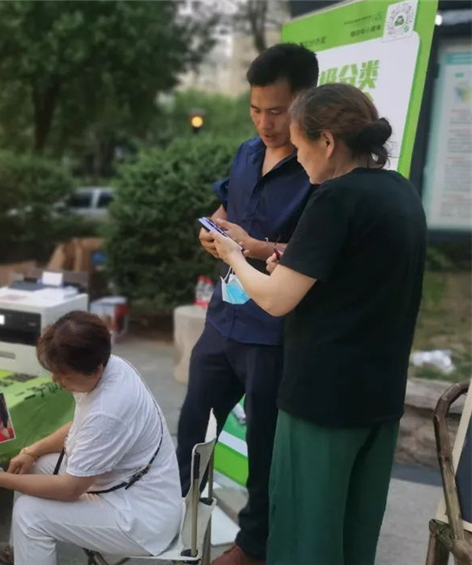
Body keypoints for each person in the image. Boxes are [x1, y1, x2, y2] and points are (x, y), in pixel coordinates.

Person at [212, 83, 427, 565]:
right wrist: (276, 257)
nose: (297, 158)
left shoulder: (334, 198)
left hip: (322, 399)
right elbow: (357, 271)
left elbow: (275, 300)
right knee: (354, 531)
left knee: (305, 532)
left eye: (299, 145)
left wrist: (233, 254)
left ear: (326, 141)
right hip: (379, 396)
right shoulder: (400, 191)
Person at [175, 43, 318, 565]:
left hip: (273, 330)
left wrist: (251, 248)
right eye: (255, 110)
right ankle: (179, 514)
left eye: (276, 111)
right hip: (224, 318)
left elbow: (314, 253)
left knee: (264, 444)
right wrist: (212, 230)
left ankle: (254, 547)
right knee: (193, 422)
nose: (264, 123)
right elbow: (226, 207)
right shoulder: (247, 152)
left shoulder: (319, 167)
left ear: (305, 100)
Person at [0, 311, 181, 565]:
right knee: (32, 466)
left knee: (30, 514)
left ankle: (28, 549)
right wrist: (32, 451)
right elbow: (81, 426)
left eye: (65, 375)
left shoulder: (108, 410)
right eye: (55, 372)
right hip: (129, 483)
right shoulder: (111, 366)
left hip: (142, 518)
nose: (57, 381)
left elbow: (70, 489)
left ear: (96, 370)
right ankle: (23, 554)